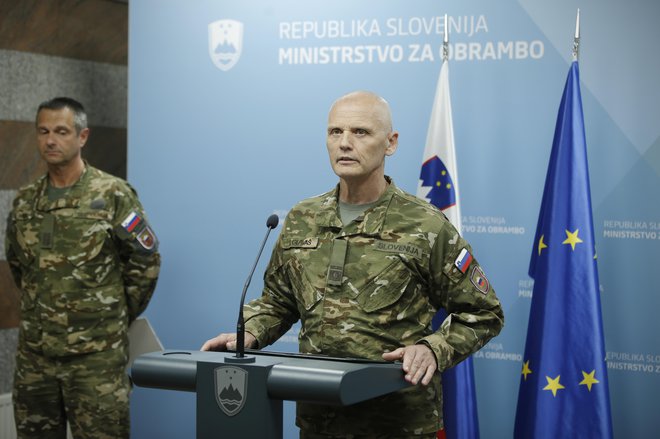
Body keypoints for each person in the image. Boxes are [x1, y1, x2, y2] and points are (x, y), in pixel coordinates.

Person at [202, 91, 504, 438]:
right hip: (320, 420)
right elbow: (278, 301)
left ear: (391, 143)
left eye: (360, 132)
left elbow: (484, 313)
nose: (345, 143)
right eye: (335, 132)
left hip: (398, 422)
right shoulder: (303, 217)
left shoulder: (425, 225)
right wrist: (251, 331)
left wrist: (432, 349)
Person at [4, 97, 161, 439]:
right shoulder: (25, 201)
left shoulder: (113, 194)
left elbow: (145, 262)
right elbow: (20, 266)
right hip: (37, 358)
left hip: (96, 359)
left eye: (61, 131)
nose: (50, 140)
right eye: (43, 131)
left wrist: (114, 315)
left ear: (82, 136)